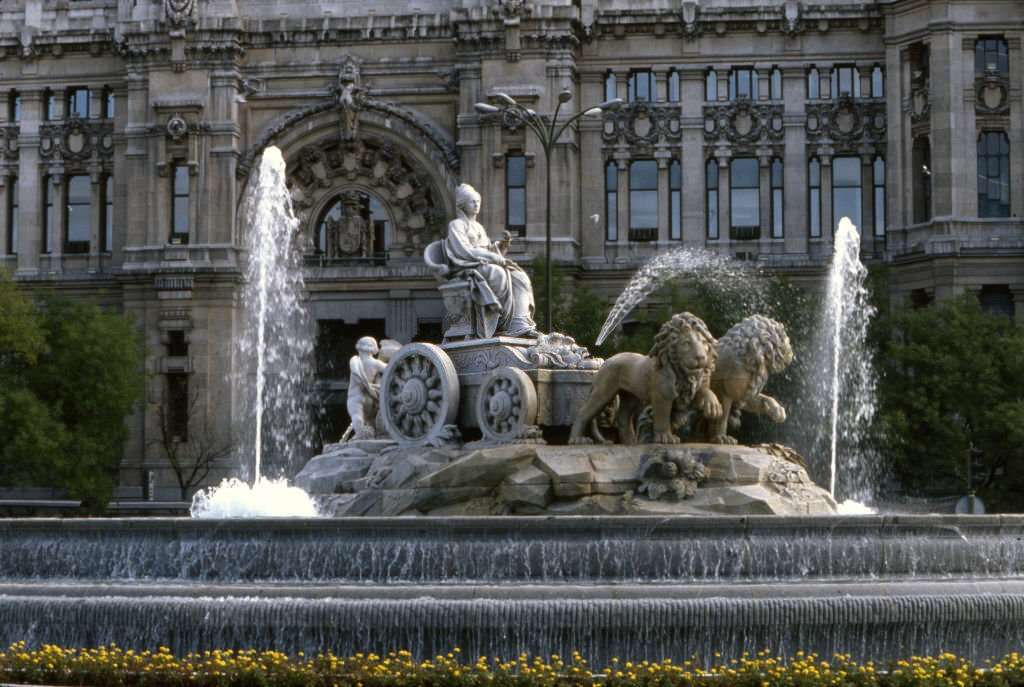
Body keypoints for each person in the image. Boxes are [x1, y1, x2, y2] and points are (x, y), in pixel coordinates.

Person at [443, 183, 539, 338]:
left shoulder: (478, 227)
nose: (476, 205)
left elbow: (489, 250)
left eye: (478, 201)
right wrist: (493, 257)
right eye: (472, 201)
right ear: (462, 205)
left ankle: (518, 322)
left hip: (484, 264)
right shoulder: (456, 225)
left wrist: (501, 246)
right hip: (467, 266)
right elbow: (464, 251)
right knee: (498, 274)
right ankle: (499, 321)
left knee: (519, 276)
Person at [346, 336, 387, 439]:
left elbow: (356, 375)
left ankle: (360, 436)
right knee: (370, 421)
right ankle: (368, 436)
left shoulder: (355, 360)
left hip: (356, 397)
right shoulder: (376, 363)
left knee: (357, 417)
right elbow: (390, 369)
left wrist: (367, 386)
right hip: (370, 399)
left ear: (360, 348)